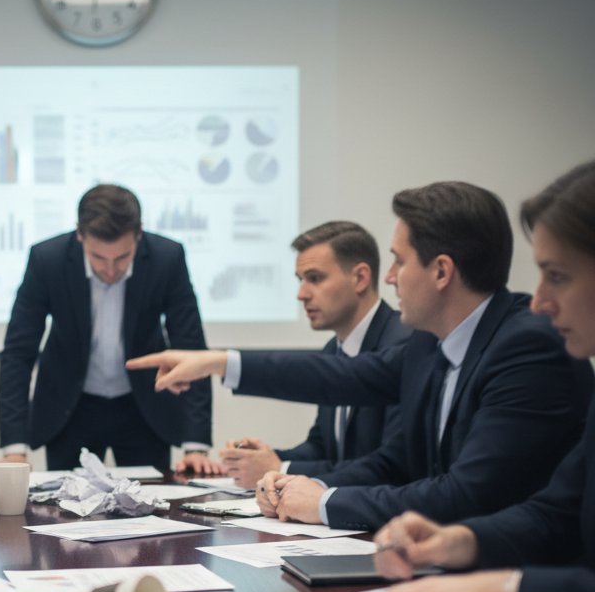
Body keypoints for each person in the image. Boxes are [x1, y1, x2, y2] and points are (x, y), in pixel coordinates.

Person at [128, 181, 593, 531]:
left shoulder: (527, 345)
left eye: (399, 261)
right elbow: (345, 386)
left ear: (442, 271)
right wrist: (221, 362)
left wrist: (324, 502)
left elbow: (469, 493)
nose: (389, 278)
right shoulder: (431, 342)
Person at [363, 161, 595, 592]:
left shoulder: (526, 343)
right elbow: (556, 513)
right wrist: (457, 541)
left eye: (558, 275)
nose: (539, 300)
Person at [0, 183, 214, 474]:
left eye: (122, 258)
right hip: (69, 408)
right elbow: (19, 352)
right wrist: (14, 449)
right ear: (80, 234)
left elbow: (191, 349)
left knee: (151, 511)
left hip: (144, 408)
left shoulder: (166, 258)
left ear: (139, 234)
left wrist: (195, 446)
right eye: (98, 258)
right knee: (63, 511)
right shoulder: (48, 260)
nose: (110, 270)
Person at [220, 220, 408, 488]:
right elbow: (322, 447)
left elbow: (389, 466)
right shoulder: (333, 349)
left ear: (360, 278)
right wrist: (265, 458)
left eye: (315, 278)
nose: (301, 294)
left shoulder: (402, 343)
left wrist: (282, 467)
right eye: (300, 280)